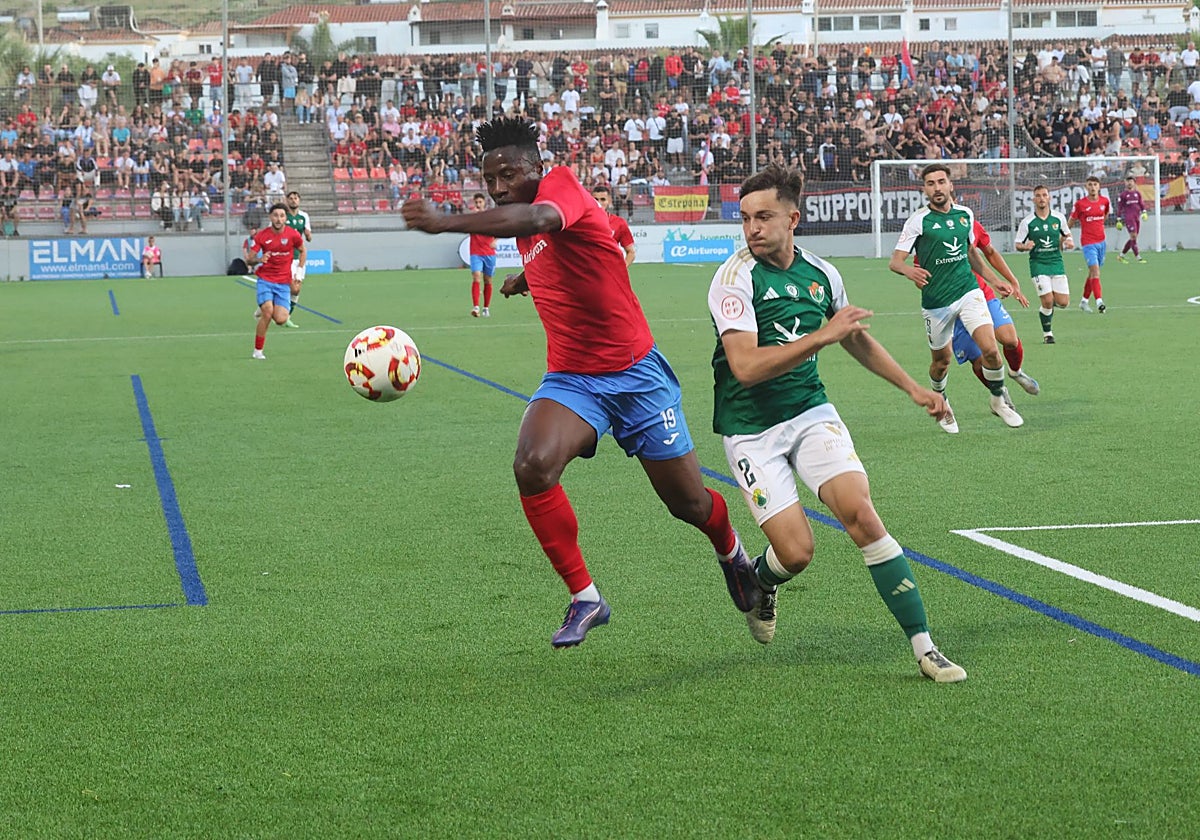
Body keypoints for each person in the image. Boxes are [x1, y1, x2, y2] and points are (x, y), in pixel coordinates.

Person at [401, 116, 758, 648]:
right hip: (573, 380)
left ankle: (730, 550)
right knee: (532, 464)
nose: (499, 189)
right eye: (489, 182)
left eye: (508, 176)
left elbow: (543, 216)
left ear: (536, 168)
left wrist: (445, 222)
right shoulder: (527, 221)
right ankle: (586, 596)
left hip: (637, 377)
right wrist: (529, 278)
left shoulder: (557, 186)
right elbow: (567, 243)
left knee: (689, 505)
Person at [707, 164, 965, 682]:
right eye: (745, 219)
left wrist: (915, 388)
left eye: (764, 217)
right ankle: (759, 578)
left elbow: (853, 336)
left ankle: (925, 647)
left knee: (862, 515)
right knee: (797, 553)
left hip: (809, 411)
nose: (752, 229)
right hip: (750, 429)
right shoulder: (733, 279)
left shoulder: (823, 275)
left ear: (792, 218)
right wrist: (821, 337)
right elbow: (746, 367)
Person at [888, 163, 1023, 432]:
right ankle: (941, 399)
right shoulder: (919, 220)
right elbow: (895, 261)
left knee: (992, 352)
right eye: (931, 183)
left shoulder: (965, 215)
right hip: (937, 303)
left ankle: (998, 400)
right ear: (924, 189)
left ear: (951, 185)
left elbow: (972, 253)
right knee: (941, 362)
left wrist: (996, 281)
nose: (937, 187)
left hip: (968, 292)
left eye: (941, 182)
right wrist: (908, 271)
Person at [948, 219, 1041, 404]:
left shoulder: (967, 221)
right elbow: (920, 267)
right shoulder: (926, 228)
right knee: (979, 360)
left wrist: (1012, 281)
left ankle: (1016, 372)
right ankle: (999, 391)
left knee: (1010, 340)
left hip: (982, 294)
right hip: (953, 302)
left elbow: (989, 252)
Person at [1016, 184, 1075, 344]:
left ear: (1049, 198)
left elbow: (1067, 235)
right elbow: (1017, 244)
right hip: (1038, 264)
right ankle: (1047, 334)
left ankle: (1048, 304)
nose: (1041, 198)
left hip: (1056, 262)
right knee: (1048, 301)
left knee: (1063, 302)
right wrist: (1025, 246)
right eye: (1038, 196)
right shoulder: (1028, 222)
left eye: (1044, 195)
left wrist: (1068, 242)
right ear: (1033, 199)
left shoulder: (1059, 218)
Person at [247, 203, 305, 360]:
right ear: (270, 217)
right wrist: (259, 259)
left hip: (283, 283)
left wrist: (298, 273)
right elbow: (249, 260)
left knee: (280, 319)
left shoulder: (292, 235)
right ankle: (257, 350)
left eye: (282, 216)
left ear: (286, 218)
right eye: (275, 215)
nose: (278, 219)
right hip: (265, 280)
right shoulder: (262, 236)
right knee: (268, 312)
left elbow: (303, 251)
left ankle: (265, 307)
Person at [1068, 175, 1111, 313]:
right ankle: (1099, 302)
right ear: (1086, 187)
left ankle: (1084, 301)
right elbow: (1070, 222)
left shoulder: (1105, 201)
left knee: (1092, 274)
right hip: (1088, 243)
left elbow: (1105, 215)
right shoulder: (1080, 204)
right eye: (1090, 184)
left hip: (1101, 243)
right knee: (1095, 272)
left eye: (1095, 184)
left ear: (1099, 187)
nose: (1093, 187)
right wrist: (1065, 237)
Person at [283, 190, 312, 328]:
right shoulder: (282, 215)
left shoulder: (304, 216)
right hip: (285, 257)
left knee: (296, 289)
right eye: (291, 198)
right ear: (287, 200)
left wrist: (308, 234)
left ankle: (287, 317)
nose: (293, 200)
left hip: (299, 256)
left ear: (299, 201)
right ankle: (276, 310)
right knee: (289, 287)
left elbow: (308, 235)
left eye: (296, 198)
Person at [591, 184, 636, 267]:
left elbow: (631, 252)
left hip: (609, 272)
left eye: (603, 199)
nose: (599, 203)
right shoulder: (582, 223)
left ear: (609, 201)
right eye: (596, 200)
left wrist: (621, 269)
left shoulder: (619, 223)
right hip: (588, 272)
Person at [466, 192, 496, 317]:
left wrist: (496, 240)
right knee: (476, 276)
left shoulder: (490, 217)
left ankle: (486, 308)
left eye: (480, 202)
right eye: (476, 202)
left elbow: (500, 228)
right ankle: (476, 307)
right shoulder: (472, 218)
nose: (478, 204)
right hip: (476, 252)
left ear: (484, 203)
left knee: (487, 280)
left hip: (489, 252)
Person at [1115, 175, 1148, 264]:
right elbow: (1120, 207)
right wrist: (1118, 219)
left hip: (1136, 218)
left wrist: (1144, 211)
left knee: (1133, 238)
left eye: (1131, 181)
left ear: (1134, 182)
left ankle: (1121, 256)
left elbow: (1141, 203)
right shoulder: (1123, 195)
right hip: (1129, 218)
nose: (1130, 183)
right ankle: (1138, 257)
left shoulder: (1137, 193)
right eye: (1128, 181)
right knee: (1133, 236)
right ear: (1125, 183)